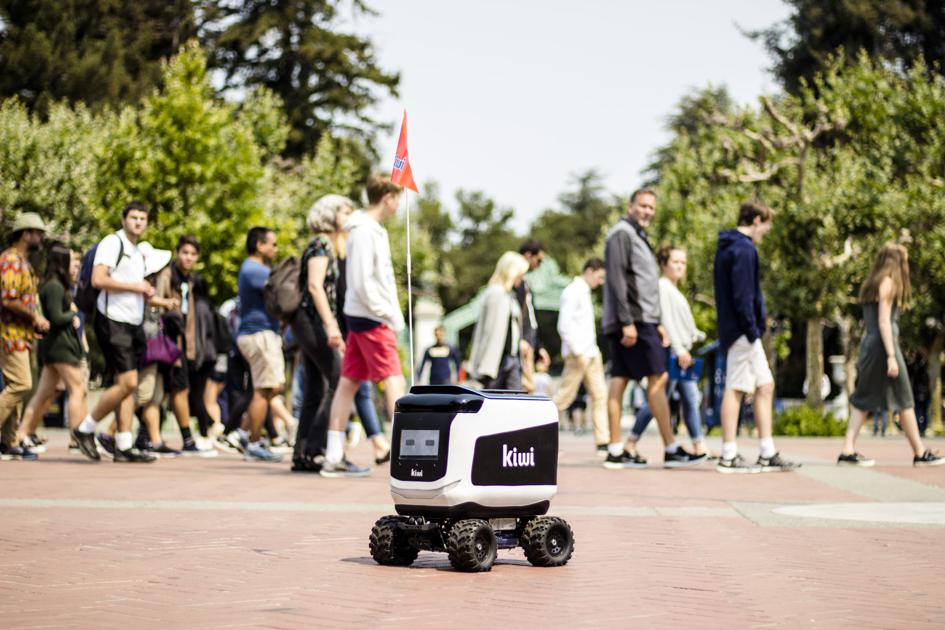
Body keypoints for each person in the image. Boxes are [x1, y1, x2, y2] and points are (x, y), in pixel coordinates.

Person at [601, 189, 701, 470]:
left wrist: (657, 323)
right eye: (642, 205)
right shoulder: (621, 233)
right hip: (633, 320)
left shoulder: (637, 235)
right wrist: (627, 322)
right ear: (630, 205)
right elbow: (618, 280)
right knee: (659, 377)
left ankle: (617, 449)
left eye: (651, 207)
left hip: (642, 320)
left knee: (620, 379)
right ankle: (670, 448)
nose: (647, 211)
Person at [322, 174, 404, 477]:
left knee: (348, 384)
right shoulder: (365, 231)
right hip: (372, 317)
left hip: (363, 316)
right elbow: (362, 281)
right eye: (398, 199)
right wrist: (388, 313)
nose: (399, 206)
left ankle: (333, 455)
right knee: (394, 379)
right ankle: (407, 452)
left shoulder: (367, 230)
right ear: (388, 198)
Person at [839, 243, 943, 466]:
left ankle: (848, 449)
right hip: (883, 347)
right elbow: (884, 320)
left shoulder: (874, 283)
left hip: (872, 344)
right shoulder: (888, 282)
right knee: (904, 397)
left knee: (864, 398)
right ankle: (919, 452)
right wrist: (891, 356)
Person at [713, 200, 798, 473]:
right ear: (757, 220)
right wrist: (752, 329)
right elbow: (743, 295)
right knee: (736, 387)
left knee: (765, 385)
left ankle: (766, 451)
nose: (767, 231)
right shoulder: (743, 248)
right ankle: (728, 454)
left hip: (740, 330)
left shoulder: (730, 247)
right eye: (767, 225)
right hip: (742, 331)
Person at [73, 201, 157, 462]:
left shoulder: (136, 250)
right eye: (134, 217)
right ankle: (85, 428)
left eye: (143, 218)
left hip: (132, 322)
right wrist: (137, 287)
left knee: (127, 386)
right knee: (128, 382)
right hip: (112, 321)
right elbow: (100, 279)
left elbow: (137, 289)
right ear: (124, 219)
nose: (138, 222)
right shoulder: (113, 243)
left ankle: (123, 443)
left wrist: (155, 298)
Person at [14, 244, 97, 460]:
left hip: (57, 348)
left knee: (43, 394)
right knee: (77, 388)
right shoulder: (54, 287)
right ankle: (79, 434)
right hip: (61, 347)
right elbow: (55, 317)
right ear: (61, 262)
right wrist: (73, 314)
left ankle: (21, 434)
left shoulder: (58, 286)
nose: (73, 266)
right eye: (70, 261)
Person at [627, 245, 709, 458]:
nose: (680, 266)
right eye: (675, 262)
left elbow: (682, 323)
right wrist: (680, 348)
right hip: (674, 352)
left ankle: (699, 445)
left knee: (691, 398)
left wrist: (696, 334)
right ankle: (631, 441)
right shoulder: (663, 286)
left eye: (683, 262)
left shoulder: (674, 289)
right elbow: (667, 320)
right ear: (664, 264)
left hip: (683, 351)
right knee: (657, 399)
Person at [290, 194, 352, 473]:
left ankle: (303, 452)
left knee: (315, 387)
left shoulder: (330, 244)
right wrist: (331, 326)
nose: (349, 216)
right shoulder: (321, 243)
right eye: (344, 211)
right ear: (330, 214)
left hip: (310, 322)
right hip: (312, 321)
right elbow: (315, 287)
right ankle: (316, 448)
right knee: (339, 380)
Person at [152, 235, 213, 456]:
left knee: (161, 392)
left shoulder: (191, 281)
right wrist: (168, 305)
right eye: (185, 252)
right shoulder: (167, 275)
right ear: (177, 253)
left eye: (193, 254)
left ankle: (146, 436)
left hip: (183, 343)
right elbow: (155, 302)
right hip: (167, 342)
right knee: (174, 389)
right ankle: (187, 439)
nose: (188, 257)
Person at [0, 212, 50, 460]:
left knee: (16, 388)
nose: (41, 237)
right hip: (9, 334)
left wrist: (32, 325)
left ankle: (8, 442)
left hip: (21, 334)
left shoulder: (24, 263)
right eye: (38, 232)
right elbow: (8, 299)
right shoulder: (11, 261)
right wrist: (34, 318)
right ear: (25, 234)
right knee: (21, 384)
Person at [234, 226, 284, 462]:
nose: (275, 248)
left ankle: (242, 433)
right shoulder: (255, 270)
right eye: (272, 244)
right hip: (259, 335)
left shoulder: (254, 268)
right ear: (259, 245)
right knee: (264, 390)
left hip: (260, 334)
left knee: (271, 388)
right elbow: (282, 288)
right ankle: (253, 444)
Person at [552, 257, 609, 452]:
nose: (600, 282)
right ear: (590, 271)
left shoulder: (584, 293)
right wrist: (577, 351)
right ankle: (539, 430)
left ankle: (603, 441)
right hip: (580, 354)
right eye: (600, 277)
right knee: (564, 397)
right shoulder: (572, 291)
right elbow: (564, 325)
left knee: (600, 395)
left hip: (592, 352)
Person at [469, 251, 530, 390]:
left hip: (511, 358)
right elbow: (488, 332)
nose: (522, 277)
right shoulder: (496, 293)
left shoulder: (508, 295)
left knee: (513, 402)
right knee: (495, 403)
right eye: (520, 273)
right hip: (497, 362)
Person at [517, 240, 551, 392]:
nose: (539, 265)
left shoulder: (525, 283)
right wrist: (521, 340)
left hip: (529, 345)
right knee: (524, 388)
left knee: (528, 388)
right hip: (522, 346)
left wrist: (540, 347)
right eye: (539, 260)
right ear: (528, 255)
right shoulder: (515, 283)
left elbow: (531, 319)